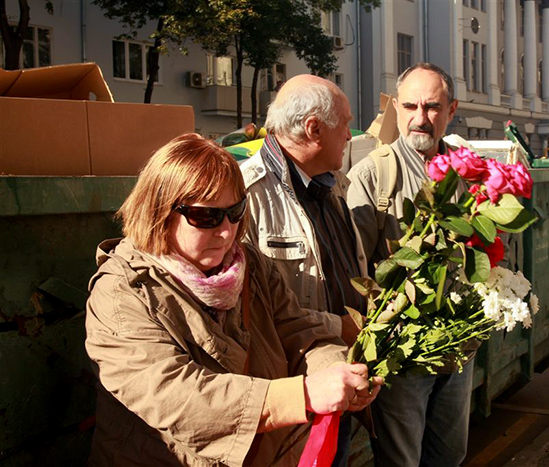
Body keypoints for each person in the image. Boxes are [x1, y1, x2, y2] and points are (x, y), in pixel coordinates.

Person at [84, 133, 382, 466]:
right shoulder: (122, 292)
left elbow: (299, 332)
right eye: (206, 217)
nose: (226, 231)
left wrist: (339, 371)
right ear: (160, 212)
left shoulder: (250, 264)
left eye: (235, 211)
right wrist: (304, 394)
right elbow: (174, 396)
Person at [347, 62, 477, 466]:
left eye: (433, 107)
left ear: (451, 109)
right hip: (402, 357)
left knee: (450, 456)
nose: (421, 118)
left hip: (458, 349)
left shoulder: (470, 173)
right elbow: (353, 271)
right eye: (411, 106)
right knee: (402, 461)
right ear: (396, 110)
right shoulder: (372, 175)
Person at [241, 74, 367, 467]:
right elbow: (249, 312)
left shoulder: (333, 186)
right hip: (289, 398)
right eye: (344, 123)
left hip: (337, 381)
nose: (349, 135)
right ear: (314, 128)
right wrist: (339, 326)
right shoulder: (247, 194)